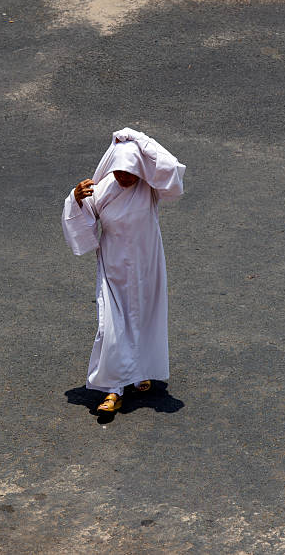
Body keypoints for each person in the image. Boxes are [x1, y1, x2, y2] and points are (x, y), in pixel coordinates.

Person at [62, 128, 186, 412]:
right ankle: (113, 389)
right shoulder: (103, 188)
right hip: (114, 268)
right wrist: (76, 199)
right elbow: (84, 224)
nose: (124, 177)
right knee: (111, 326)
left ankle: (139, 371)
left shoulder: (149, 186)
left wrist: (140, 140)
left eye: (130, 171)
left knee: (144, 317)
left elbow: (171, 171)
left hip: (147, 265)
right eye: (119, 171)